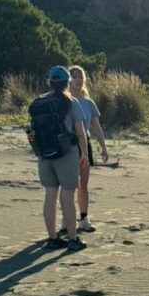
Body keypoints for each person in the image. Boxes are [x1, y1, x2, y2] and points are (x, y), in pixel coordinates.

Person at [30, 66, 89, 251]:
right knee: (67, 196)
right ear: (67, 82)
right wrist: (84, 154)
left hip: (45, 154)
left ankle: (52, 237)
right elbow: (80, 132)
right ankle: (72, 238)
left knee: (50, 195)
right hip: (66, 153)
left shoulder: (38, 102)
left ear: (49, 82)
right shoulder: (72, 102)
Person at [61, 65, 109, 233]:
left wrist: (103, 146)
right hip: (68, 144)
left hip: (85, 142)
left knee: (83, 183)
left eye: (81, 77)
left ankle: (83, 218)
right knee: (69, 185)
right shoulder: (63, 101)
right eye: (74, 76)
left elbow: (96, 127)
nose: (78, 80)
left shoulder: (88, 103)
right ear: (68, 80)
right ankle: (66, 221)